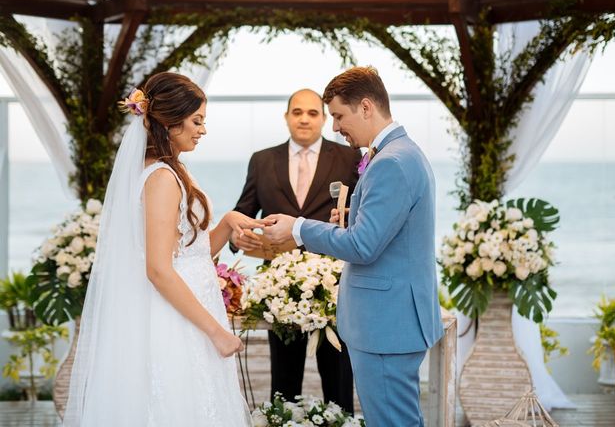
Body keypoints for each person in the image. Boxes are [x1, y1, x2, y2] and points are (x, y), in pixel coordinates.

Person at [64, 72, 263, 426]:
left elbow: (193, 252)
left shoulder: (174, 170)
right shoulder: (160, 178)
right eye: (197, 121)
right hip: (177, 320)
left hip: (192, 307)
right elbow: (158, 268)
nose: (202, 130)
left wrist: (229, 222)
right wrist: (215, 332)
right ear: (170, 123)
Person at [264, 67, 444, 427]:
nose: (334, 127)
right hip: (391, 320)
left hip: (386, 325)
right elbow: (385, 234)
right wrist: (353, 218)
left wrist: (298, 227)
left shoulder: (391, 162)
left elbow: (363, 246)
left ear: (365, 107)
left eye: (338, 116)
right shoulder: (400, 153)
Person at [231, 88, 360, 412]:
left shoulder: (349, 157)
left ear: (324, 118)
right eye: (297, 112)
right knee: (283, 388)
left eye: (313, 112)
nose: (304, 119)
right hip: (279, 292)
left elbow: (364, 217)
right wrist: (236, 239)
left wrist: (350, 218)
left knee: (340, 384)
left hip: (335, 290)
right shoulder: (262, 160)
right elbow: (244, 212)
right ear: (287, 117)